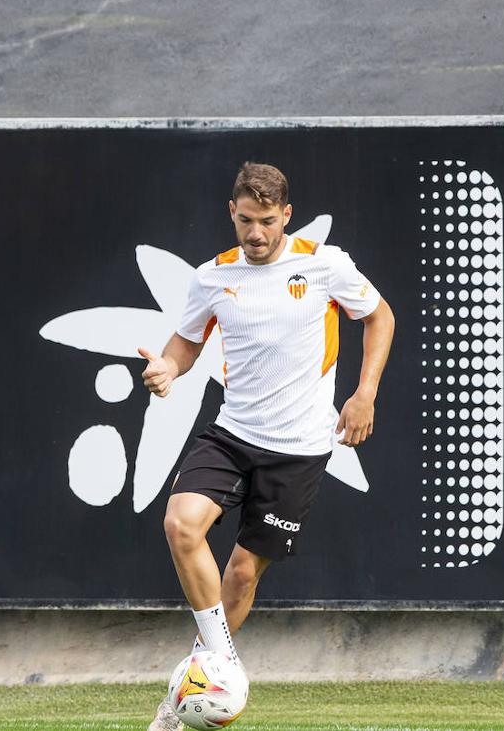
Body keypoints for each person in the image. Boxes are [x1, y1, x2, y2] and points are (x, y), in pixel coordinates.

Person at [142, 162, 394, 730]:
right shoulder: (213, 276)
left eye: (266, 222)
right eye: (245, 220)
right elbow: (185, 341)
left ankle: (182, 698)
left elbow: (380, 317)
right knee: (181, 524)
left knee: (241, 575)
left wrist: (365, 393)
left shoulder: (324, 264)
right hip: (233, 433)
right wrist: (166, 369)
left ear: (286, 215)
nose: (255, 233)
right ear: (232, 213)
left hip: (301, 450)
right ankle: (219, 667)